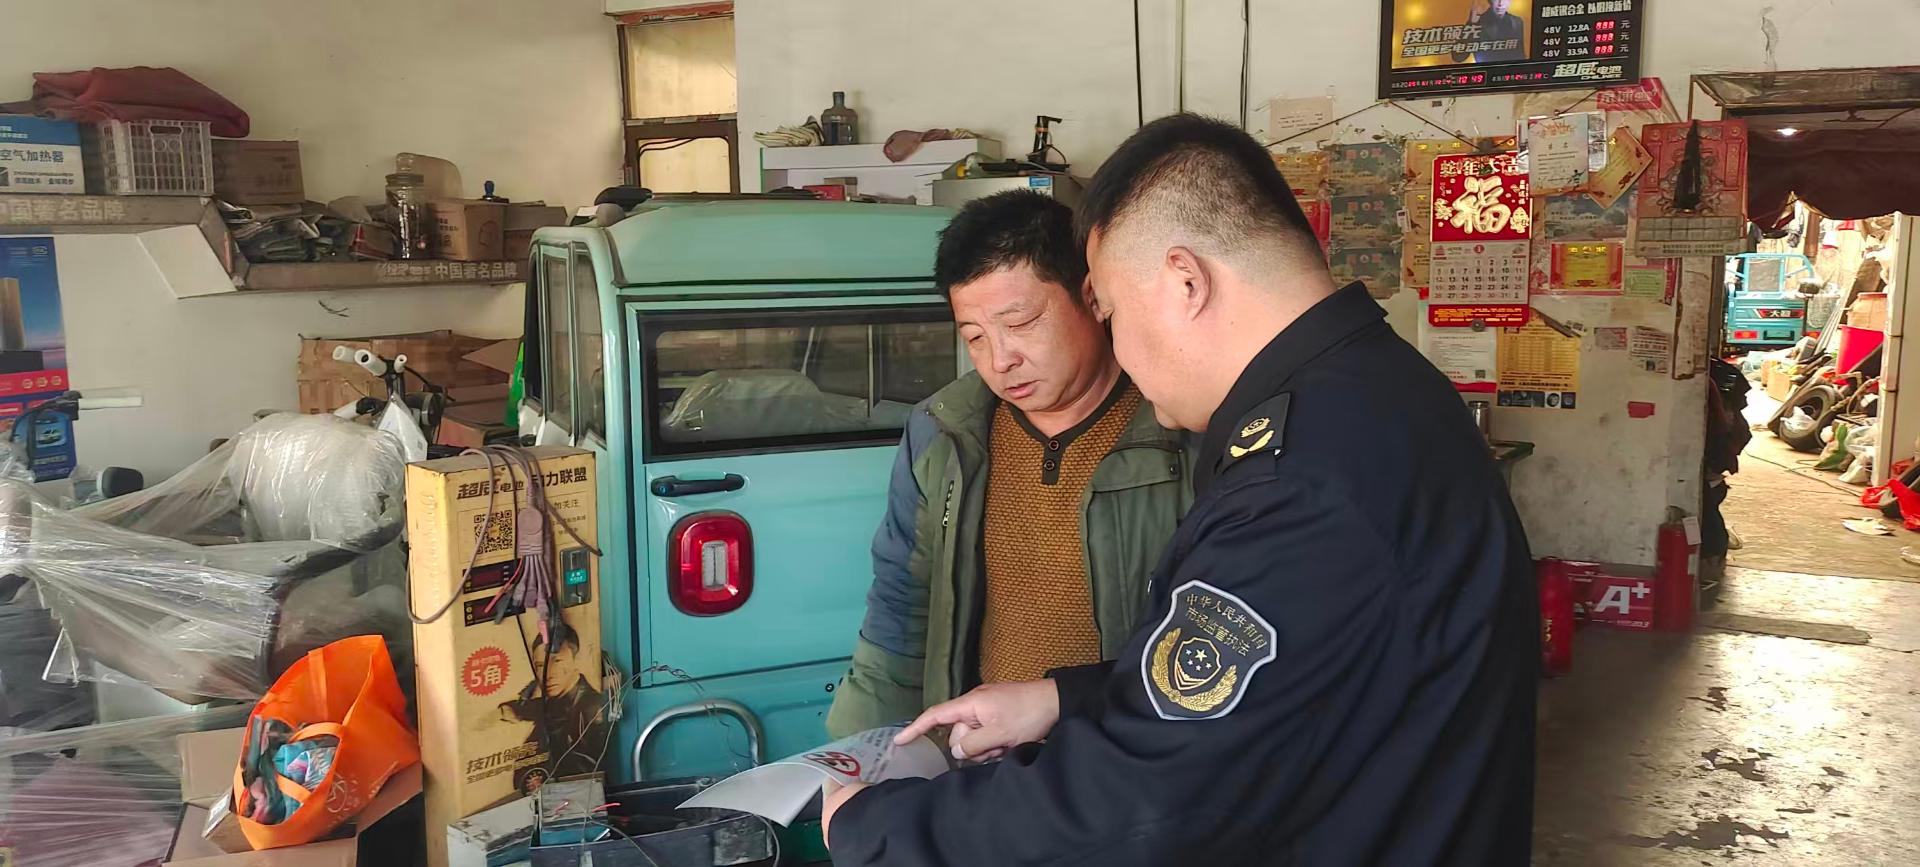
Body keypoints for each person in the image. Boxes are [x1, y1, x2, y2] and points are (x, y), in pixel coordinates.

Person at [821, 114, 1538, 865]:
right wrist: (1065, 697)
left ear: (1185, 281)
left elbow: (1152, 797)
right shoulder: (1383, 390)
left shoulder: (1295, 484)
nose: (1121, 348)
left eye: (1113, 312)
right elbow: (1285, 678)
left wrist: (884, 828)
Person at [824, 189, 1192, 738]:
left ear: (1091, 297)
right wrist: (862, 751)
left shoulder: (1180, 425)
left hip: (1131, 753)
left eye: (1020, 323)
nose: (1000, 360)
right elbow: (902, 608)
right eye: (975, 338)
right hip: (986, 758)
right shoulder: (943, 432)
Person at [1453, 0, 1527, 64]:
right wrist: (1471, 24)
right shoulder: (1478, 22)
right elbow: (1458, 57)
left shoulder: (1517, 22)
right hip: (1488, 72)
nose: (1500, 3)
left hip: (1511, 72)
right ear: (1490, 1)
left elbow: (1520, 55)